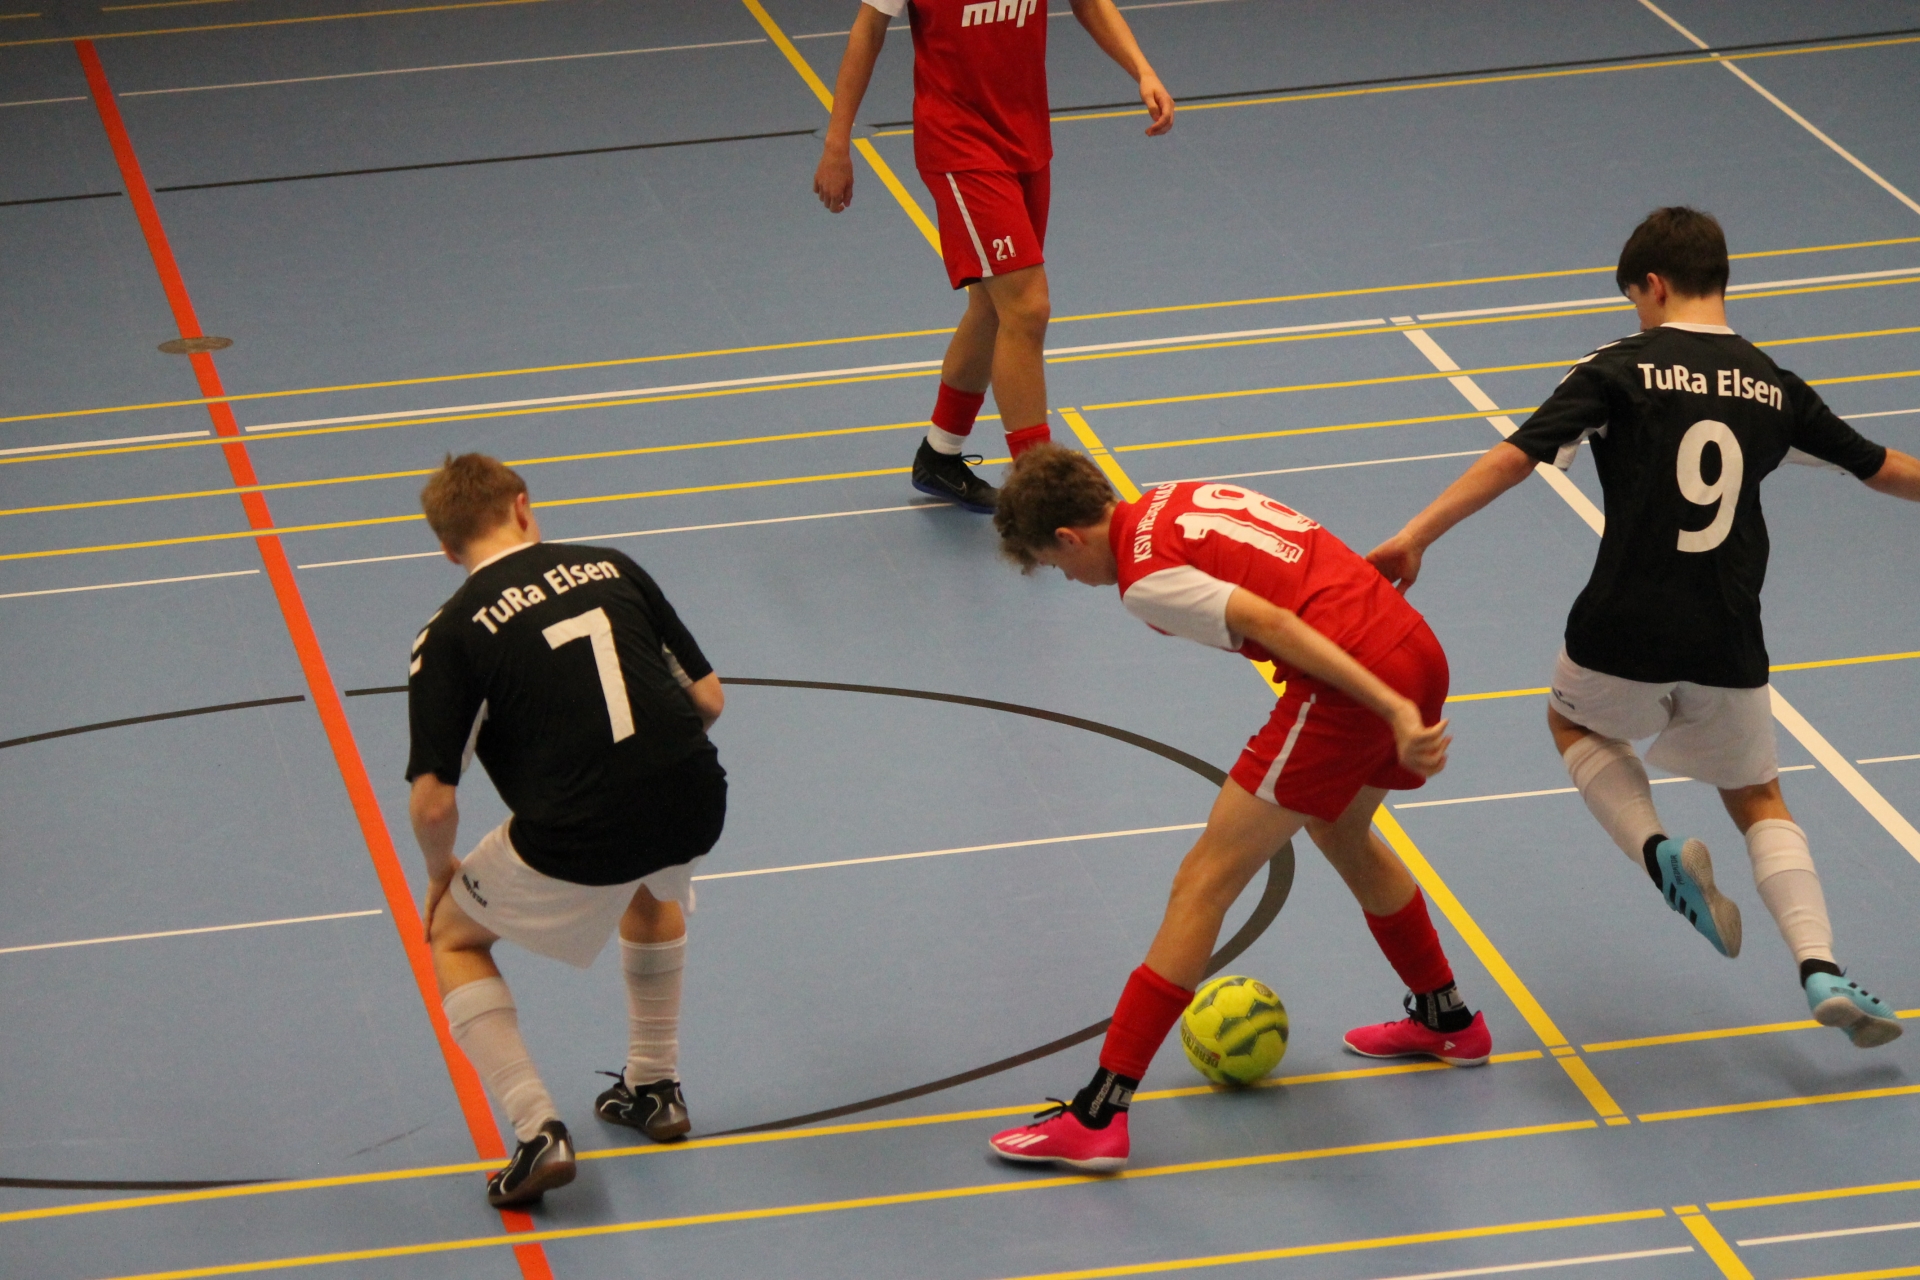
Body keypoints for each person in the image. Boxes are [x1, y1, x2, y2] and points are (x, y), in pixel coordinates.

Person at [1368, 207, 1920, 1049]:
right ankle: (1820, 965)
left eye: (1634, 297)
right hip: (1729, 631)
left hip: (1623, 620)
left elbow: (1516, 457)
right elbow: (1879, 468)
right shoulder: (1774, 386)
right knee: (1758, 796)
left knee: (1572, 723)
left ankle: (1658, 851)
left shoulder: (1620, 367)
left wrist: (1416, 535)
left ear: (1653, 286)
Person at [982, 446, 1488, 1171]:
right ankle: (1446, 1018)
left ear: (1070, 538)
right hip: (1410, 642)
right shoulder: (1171, 498)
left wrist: (1389, 707)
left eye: (1056, 565)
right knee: (1341, 831)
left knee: (1203, 882)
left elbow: (1270, 621)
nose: (1069, 579)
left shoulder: (1145, 580)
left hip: (1352, 685)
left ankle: (1099, 1113)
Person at [405, 453, 729, 1207]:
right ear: (522, 506)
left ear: (448, 549)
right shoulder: (613, 566)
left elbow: (433, 804)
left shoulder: (449, 633)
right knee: (651, 880)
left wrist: (441, 871)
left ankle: (536, 1129)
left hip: (582, 828)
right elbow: (709, 699)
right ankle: (654, 1087)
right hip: (694, 794)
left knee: (453, 937)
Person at [813, 0, 1174, 512]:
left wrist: (1143, 70)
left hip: (1026, 137)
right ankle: (1042, 490)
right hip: (959, 144)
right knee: (1027, 307)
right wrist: (837, 143)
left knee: (992, 307)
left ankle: (939, 455)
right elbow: (867, 32)